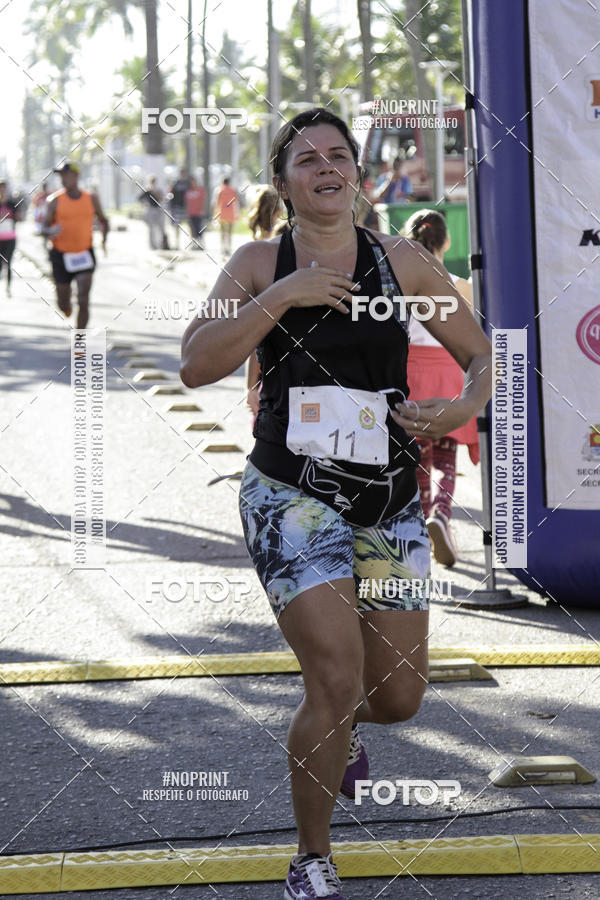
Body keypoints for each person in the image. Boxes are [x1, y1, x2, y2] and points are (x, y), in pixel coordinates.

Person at [180, 108, 492, 900]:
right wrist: (282, 295)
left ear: (357, 173)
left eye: (339, 155)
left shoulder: (402, 261)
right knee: (333, 678)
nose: (326, 167)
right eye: (307, 159)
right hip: (293, 495)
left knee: (397, 696)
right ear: (283, 184)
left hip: (386, 500)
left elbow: (483, 355)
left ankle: (344, 730)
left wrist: (460, 407)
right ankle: (310, 859)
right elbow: (195, 363)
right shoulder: (259, 262)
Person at [404, 209, 479, 567]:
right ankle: (442, 515)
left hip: (412, 372)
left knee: (418, 456)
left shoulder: (402, 285)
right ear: (446, 241)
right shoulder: (461, 286)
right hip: (449, 372)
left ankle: (421, 529)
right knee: (446, 456)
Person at [43, 161, 109, 328]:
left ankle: (80, 338)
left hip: (84, 253)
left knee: (83, 299)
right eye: (61, 176)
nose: (63, 179)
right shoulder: (54, 200)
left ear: (76, 176)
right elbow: (43, 226)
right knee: (63, 304)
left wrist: (104, 240)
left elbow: (104, 220)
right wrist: (50, 231)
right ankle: (66, 305)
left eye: (66, 175)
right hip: (60, 255)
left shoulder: (91, 198)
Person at [0, 179, 22, 298]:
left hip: (10, 238)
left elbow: (19, 217)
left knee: (8, 263)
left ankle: (8, 288)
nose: (2, 190)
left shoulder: (12, 203)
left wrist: (15, 216)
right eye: (0, 187)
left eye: (4, 187)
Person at [138, 176, 166, 250]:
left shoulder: (158, 190)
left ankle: (161, 244)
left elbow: (162, 199)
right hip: (151, 210)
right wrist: (145, 204)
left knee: (160, 228)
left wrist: (156, 193)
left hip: (158, 209)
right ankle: (153, 245)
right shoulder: (147, 190)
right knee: (151, 229)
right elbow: (140, 198)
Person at [213, 176, 238, 257]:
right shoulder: (233, 190)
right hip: (231, 213)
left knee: (223, 232)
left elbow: (218, 203)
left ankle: (223, 248)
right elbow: (236, 203)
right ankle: (229, 248)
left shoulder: (220, 190)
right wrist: (237, 214)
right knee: (229, 232)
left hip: (222, 213)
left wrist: (215, 214)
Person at [168, 168, 190, 249]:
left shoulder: (188, 183)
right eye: (182, 174)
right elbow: (171, 194)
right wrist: (171, 207)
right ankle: (177, 243)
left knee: (190, 225)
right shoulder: (176, 183)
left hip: (187, 208)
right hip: (177, 207)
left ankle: (192, 242)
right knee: (176, 226)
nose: (183, 175)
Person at [185, 176, 206, 250]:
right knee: (192, 229)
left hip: (198, 213)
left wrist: (202, 210)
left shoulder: (200, 190)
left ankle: (201, 244)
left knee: (199, 228)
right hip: (191, 213)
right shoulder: (188, 191)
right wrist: (187, 211)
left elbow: (203, 200)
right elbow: (187, 202)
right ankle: (194, 244)